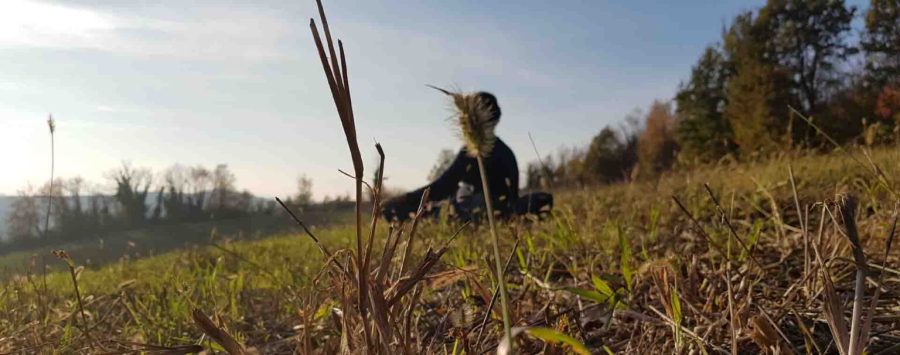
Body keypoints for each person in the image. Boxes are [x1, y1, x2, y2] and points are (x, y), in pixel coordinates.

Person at [382, 92, 552, 222]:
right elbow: (512, 198)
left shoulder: (473, 153)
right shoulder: (507, 152)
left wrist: (405, 200)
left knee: (420, 211)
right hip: (490, 213)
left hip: (472, 214)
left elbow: (443, 186)